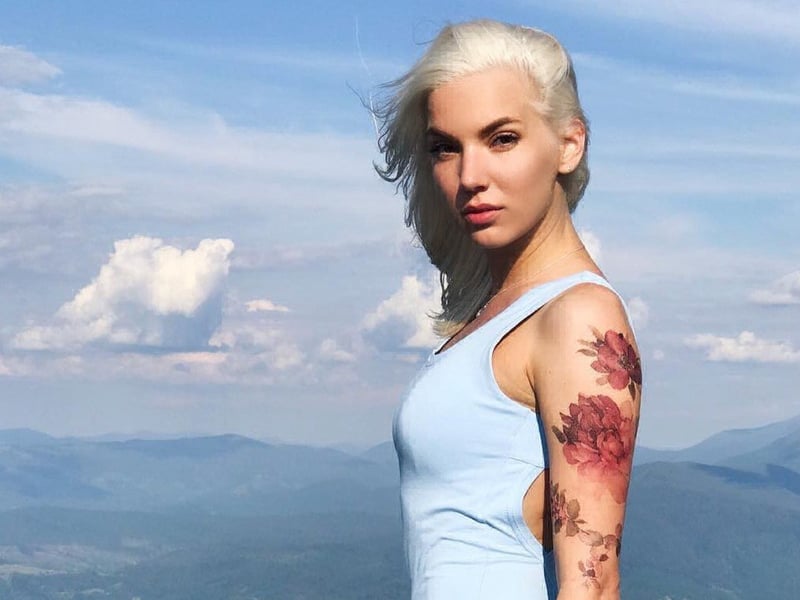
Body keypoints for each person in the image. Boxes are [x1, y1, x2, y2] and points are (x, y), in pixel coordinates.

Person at [374, 19, 642, 600]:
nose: (470, 177)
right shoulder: (500, 314)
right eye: (446, 148)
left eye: (502, 139)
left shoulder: (579, 318)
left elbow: (593, 587)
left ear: (569, 145)